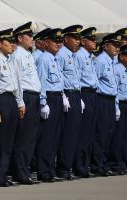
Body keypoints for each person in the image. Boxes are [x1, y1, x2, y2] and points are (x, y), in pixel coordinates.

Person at [0, 28, 25, 187]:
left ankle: (4, 172)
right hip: (1, 99)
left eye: (12, 42)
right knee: (0, 140)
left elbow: (16, 84)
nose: (11, 45)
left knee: (9, 140)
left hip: (11, 99)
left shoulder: (9, 60)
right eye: (8, 42)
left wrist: (19, 102)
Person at [10, 22, 41, 185]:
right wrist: (20, 102)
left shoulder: (29, 54)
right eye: (29, 36)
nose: (32, 39)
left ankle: (25, 169)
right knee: (24, 138)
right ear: (20, 38)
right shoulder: (17, 55)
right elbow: (17, 80)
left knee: (31, 137)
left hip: (34, 96)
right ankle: (20, 172)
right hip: (26, 96)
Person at [36, 28, 64, 182]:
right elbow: (42, 81)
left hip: (58, 97)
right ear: (46, 43)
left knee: (55, 136)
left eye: (60, 42)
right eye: (55, 41)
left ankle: (50, 170)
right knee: (47, 137)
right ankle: (44, 172)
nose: (58, 44)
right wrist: (43, 102)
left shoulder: (54, 59)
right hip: (50, 99)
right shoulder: (44, 59)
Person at [56, 25, 83, 180]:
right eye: (75, 38)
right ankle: (62, 167)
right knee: (67, 134)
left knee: (74, 133)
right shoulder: (61, 55)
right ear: (66, 39)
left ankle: (68, 166)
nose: (78, 41)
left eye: (79, 39)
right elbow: (59, 77)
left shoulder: (72, 55)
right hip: (67, 95)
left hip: (75, 94)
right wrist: (64, 96)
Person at [91, 33, 121, 176]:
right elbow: (95, 81)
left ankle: (103, 163)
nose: (117, 48)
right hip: (102, 99)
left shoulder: (111, 61)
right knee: (101, 133)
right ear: (105, 46)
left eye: (117, 45)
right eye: (114, 45)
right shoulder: (101, 61)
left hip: (110, 100)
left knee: (109, 133)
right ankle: (97, 165)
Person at [74, 27, 98, 178]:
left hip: (93, 94)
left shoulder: (90, 56)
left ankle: (86, 164)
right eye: (92, 39)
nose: (95, 42)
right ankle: (80, 166)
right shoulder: (79, 56)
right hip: (84, 94)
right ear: (83, 41)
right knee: (83, 133)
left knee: (90, 132)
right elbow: (77, 78)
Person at [107, 44, 127, 175]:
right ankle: (116, 163)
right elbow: (115, 89)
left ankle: (124, 162)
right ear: (121, 56)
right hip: (120, 104)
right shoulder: (117, 69)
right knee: (119, 135)